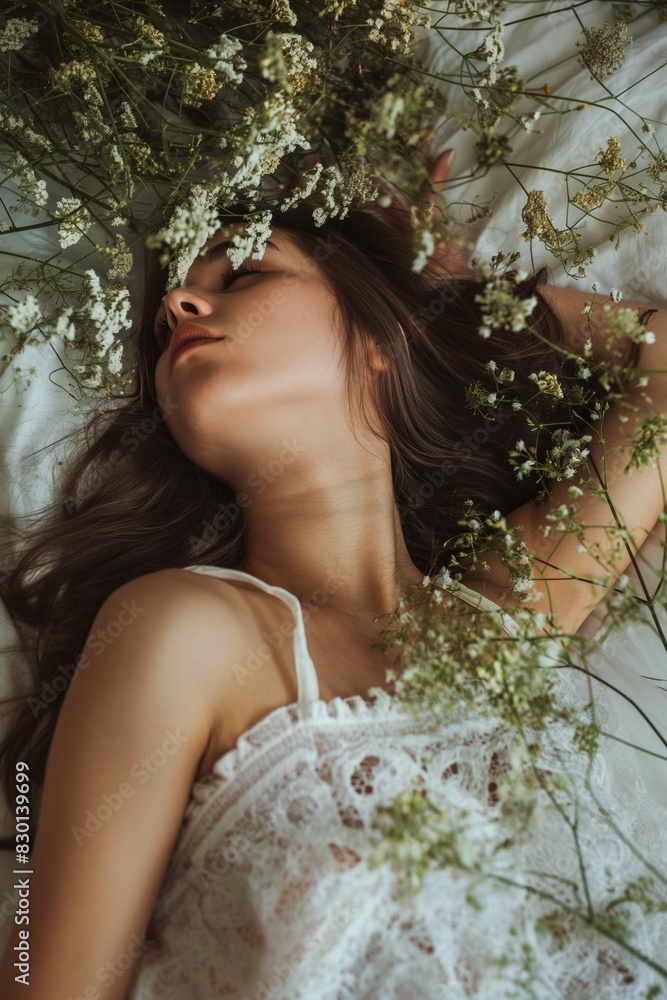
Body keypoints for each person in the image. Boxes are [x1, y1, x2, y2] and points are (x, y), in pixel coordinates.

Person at [0, 148, 665, 999]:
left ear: (379, 340)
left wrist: (452, 305)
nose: (178, 303)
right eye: (165, 327)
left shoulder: (505, 615)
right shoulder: (182, 629)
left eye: (243, 272)